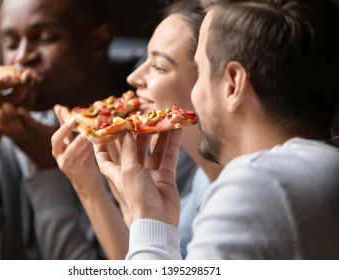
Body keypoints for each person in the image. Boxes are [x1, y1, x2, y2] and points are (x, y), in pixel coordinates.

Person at [93, 0, 339, 259]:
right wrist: (156, 222)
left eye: (200, 72)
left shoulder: (258, 184)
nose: (194, 95)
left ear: (233, 84)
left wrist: (147, 221)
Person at [0, 0, 122, 259]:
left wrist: (47, 169)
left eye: (47, 38)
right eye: (10, 44)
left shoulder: (143, 126)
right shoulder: (12, 124)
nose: (23, 57)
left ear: (99, 41)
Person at [51, 0, 222, 259]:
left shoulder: (234, 195)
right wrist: (88, 185)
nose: (132, 78)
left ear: (213, 80)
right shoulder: (203, 178)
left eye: (157, 66)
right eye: (145, 59)